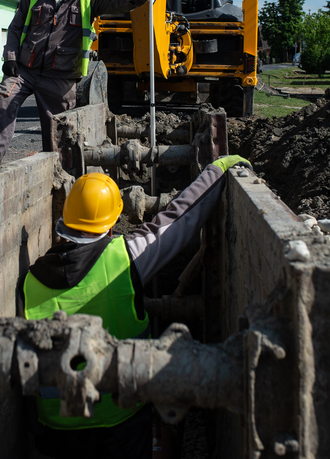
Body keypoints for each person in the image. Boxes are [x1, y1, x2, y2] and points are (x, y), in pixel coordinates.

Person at [22, 154, 251, 459]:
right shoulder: (124, 259)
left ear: (65, 219)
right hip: (122, 427)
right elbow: (179, 221)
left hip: (57, 435)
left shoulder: (30, 282)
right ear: (113, 221)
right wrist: (220, 168)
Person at [0, 0, 158, 170]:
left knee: (59, 134)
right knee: (2, 104)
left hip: (60, 78)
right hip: (24, 71)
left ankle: (55, 174)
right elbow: (15, 27)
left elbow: (118, 1)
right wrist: (10, 58)